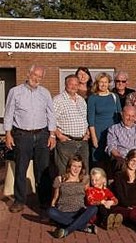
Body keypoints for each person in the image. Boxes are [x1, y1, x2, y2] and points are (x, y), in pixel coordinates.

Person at [4, 65, 56, 213]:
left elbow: (51, 114)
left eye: (40, 77)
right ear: (28, 74)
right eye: (35, 75)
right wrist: (8, 134)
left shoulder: (45, 93)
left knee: (43, 170)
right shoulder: (15, 92)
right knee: (21, 168)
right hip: (22, 135)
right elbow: (9, 113)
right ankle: (20, 201)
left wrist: (52, 135)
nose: (37, 79)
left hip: (42, 135)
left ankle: (44, 202)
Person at [48, 155, 97, 238]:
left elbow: (88, 198)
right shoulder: (60, 179)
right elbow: (55, 197)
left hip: (79, 212)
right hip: (63, 212)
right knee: (50, 211)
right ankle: (83, 227)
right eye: (74, 166)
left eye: (79, 166)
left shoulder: (85, 180)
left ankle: (66, 230)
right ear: (69, 166)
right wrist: (52, 207)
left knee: (94, 208)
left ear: (82, 168)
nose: (76, 169)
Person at [53, 74, 90, 175]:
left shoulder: (81, 100)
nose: (73, 87)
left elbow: (85, 118)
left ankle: (82, 191)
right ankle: (64, 191)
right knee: (65, 172)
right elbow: (51, 120)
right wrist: (59, 135)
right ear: (65, 85)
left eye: (76, 84)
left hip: (82, 142)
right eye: (71, 84)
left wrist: (87, 134)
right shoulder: (58, 100)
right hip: (67, 142)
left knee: (84, 171)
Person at [88, 72, 122, 168]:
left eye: (106, 82)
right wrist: (94, 137)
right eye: (101, 82)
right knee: (99, 161)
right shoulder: (93, 98)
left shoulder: (114, 97)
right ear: (97, 83)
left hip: (113, 132)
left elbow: (119, 115)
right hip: (98, 132)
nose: (103, 84)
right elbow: (91, 119)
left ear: (109, 83)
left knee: (112, 160)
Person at [106, 107, 136, 172]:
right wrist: (119, 157)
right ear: (122, 115)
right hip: (122, 159)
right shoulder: (113, 129)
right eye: (127, 115)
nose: (130, 118)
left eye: (132, 116)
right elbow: (111, 146)